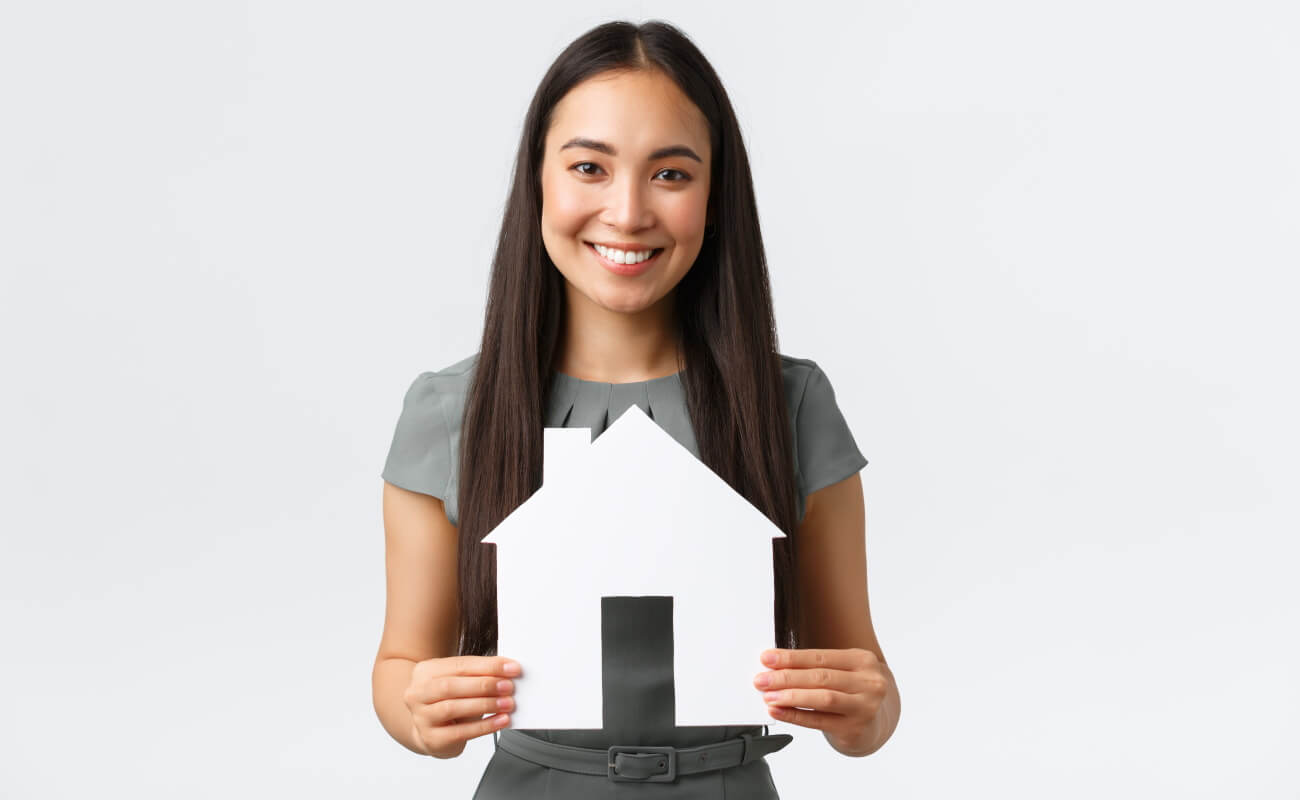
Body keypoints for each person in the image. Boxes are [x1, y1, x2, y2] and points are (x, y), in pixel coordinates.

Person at [373, 19, 901, 799]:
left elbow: (866, 685)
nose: (625, 213)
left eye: (671, 174)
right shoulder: (451, 411)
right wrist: (416, 713)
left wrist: (867, 711)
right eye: (589, 166)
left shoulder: (789, 406)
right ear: (538, 180)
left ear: (716, 197)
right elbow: (399, 667)